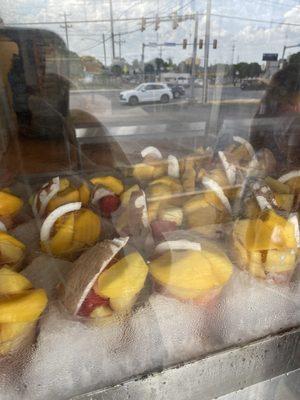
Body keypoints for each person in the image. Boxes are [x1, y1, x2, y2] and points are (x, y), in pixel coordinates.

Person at [250, 63, 300, 171]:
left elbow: (254, 140)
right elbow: (294, 164)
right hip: (283, 178)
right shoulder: (294, 120)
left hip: (269, 173)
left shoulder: (267, 108)